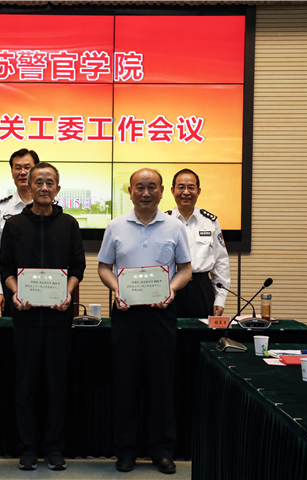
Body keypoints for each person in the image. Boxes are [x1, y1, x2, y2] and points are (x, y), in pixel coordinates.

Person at [97, 168, 192, 475]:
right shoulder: (116, 226)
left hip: (161, 314)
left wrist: (171, 289)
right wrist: (116, 288)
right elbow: (104, 267)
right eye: (140, 187)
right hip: (126, 314)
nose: (146, 192)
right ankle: (125, 452)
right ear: (130, 191)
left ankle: (162, 452)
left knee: (161, 384)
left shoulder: (175, 227)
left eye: (152, 187)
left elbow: (185, 269)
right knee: (125, 383)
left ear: (162, 191)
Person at [0, 162, 85, 471]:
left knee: (56, 385)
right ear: (29, 186)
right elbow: (6, 268)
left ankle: (54, 447)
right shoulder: (14, 225)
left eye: (50, 182)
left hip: (58, 318)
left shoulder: (69, 224)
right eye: (39, 182)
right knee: (25, 386)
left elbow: (77, 267)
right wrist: (15, 292)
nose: (44, 187)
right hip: (25, 318)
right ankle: (27, 448)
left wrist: (68, 292)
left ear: (58, 189)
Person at [167, 169, 230, 318]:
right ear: (173, 190)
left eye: (191, 187)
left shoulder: (210, 222)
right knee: (169, 330)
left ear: (198, 191)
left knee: (201, 331)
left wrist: (220, 299)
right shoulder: (164, 222)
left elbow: (221, 262)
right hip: (171, 287)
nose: (186, 192)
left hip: (201, 289)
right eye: (181, 187)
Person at [0, 148, 39, 317]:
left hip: (45, 284)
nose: (22, 172)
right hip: (11, 285)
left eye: (27, 167)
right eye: (17, 168)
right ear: (12, 172)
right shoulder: (0, 209)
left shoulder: (50, 208)